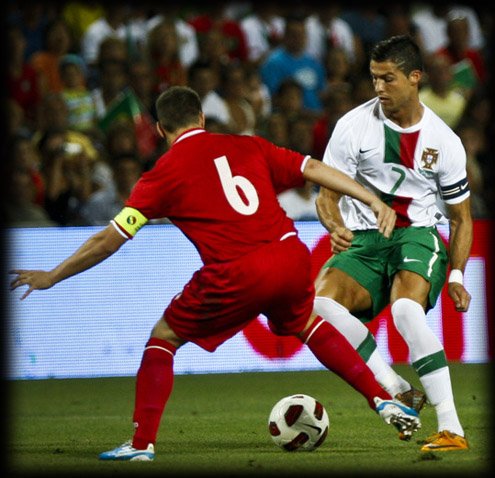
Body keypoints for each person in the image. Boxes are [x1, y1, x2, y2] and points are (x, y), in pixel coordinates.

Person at [10, 85, 421, 462]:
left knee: (163, 339)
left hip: (237, 271)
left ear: (160, 129)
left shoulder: (161, 174)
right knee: (306, 324)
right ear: (202, 119)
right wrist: (370, 198)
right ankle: (380, 398)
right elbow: (312, 168)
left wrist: (53, 275)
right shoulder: (247, 145)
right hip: (289, 255)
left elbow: (110, 239)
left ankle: (140, 445)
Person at [313, 35, 472, 452]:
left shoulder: (444, 141)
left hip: (417, 234)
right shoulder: (353, 125)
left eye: (389, 79)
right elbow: (326, 195)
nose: (379, 88)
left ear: (415, 78)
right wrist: (334, 226)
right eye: (374, 79)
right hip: (366, 239)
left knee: (404, 310)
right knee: (320, 307)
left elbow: (460, 217)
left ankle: (452, 428)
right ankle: (397, 387)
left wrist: (456, 274)